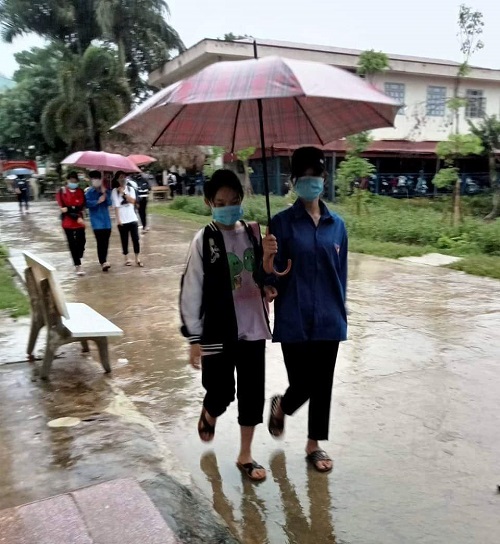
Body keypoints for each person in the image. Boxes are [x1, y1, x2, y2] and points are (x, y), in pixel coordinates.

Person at [179, 169, 277, 482]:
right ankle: (210, 412)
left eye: (233, 201)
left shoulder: (253, 233)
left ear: (241, 200)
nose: (228, 207)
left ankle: (245, 455)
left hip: (253, 326)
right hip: (216, 330)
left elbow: (262, 277)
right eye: (220, 202)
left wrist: (269, 277)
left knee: (252, 393)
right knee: (220, 391)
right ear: (209, 203)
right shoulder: (203, 240)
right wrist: (193, 338)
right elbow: (191, 289)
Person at [262, 146, 348, 473]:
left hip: (329, 315)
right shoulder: (281, 223)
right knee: (303, 383)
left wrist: (341, 312)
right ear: (293, 180)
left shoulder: (337, 225)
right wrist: (267, 258)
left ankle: (314, 444)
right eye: (304, 175)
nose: (310, 181)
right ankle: (282, 405)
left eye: (316, 175)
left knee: (322, 383)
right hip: (294, 314)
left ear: (324, 178)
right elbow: (271, 276)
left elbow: (341, 273)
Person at [57, 171, 87, 276]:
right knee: (72, 244)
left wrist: (70, 208)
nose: (73, 182)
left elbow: (81, 206)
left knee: (82, 241)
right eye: (71, 180)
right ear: (68, 180)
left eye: (75, 180)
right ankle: (78, 265)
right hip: (67, 222)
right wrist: (73, 211)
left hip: (79, 221)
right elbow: (63, 208)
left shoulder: (80, 191)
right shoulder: (62, 191)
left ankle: (79, 255)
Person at [111, 170, 143, 267]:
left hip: (132, 218)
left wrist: (124, 194)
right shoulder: (114, 191)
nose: (123, 179)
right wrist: (118, 220)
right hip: (122, 220)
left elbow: (133, 201)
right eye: (120, 177)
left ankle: (137, 258)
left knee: (136, 239)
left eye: (124, 177)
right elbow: (117, 206)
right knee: (124, 239)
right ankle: (126, 258)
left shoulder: (130, 189)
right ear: (117, 179)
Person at [85, 170, 112, 272]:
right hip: (96, 222)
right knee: (100, 242)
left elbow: (110, 203)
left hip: (106, 222)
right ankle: (103, 261)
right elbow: (86, 204)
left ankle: (104, 259)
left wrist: (105, 193)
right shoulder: (89, 192)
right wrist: (97, 201)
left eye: (97, 178)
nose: (95, 180)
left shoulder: (105, 191)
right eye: (93, 178)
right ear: (91, 180)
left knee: (106, 242)